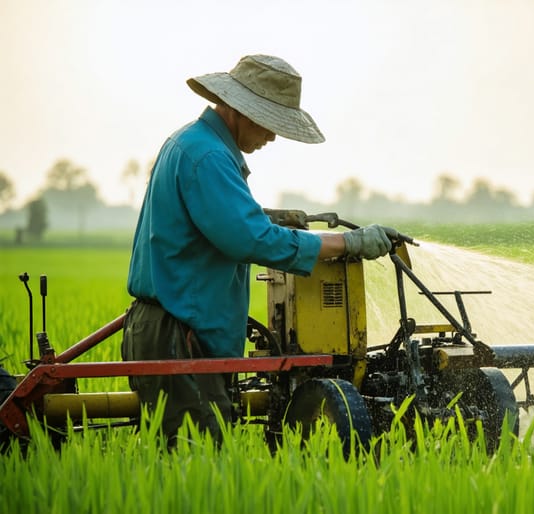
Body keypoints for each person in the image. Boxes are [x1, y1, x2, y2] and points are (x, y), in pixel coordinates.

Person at [122, 54, 395, 445]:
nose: (272, 137)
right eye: (270, 124)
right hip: (180, 333)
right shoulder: (210, 157)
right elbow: (252, 240)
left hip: (168, 326)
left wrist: (266, 218)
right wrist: (348, 242)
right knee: (198, 468)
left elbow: (218, 225)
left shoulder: (189, 143)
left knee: (185, 466)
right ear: (238, 110)